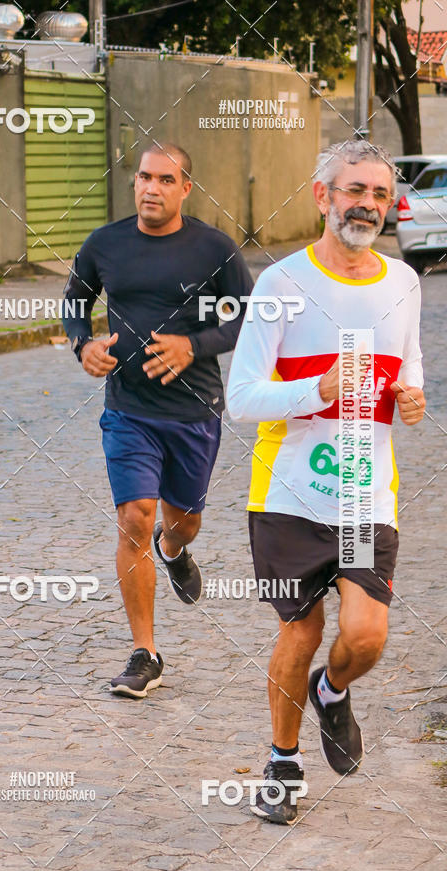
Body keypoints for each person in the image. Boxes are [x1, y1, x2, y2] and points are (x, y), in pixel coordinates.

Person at [227, 141, 425, 825]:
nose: (367, 205)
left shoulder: (404, 282)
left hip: (366, 496)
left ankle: (332, 692)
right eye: (354, 190)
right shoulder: (281, 284)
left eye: (379, 194)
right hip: (288, 497)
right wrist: (316, 388)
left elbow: (409, 366)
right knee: (301, 629)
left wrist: (411, 397)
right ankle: (283, 763)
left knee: (365, 636)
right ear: (322, 196)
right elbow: (241, 398)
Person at [63, 142, 254, 698]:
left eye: (166, 180)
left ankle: (174, 549)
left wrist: (193, 346)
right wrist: (82, 344)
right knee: (134, 517)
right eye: (145, 177)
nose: (152, 188)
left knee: (182, 520)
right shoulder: (105, 243)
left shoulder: (214, 249)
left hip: (194, 410)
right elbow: (75, 300)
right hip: (129, 410)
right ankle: (145, 653)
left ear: (185, 188)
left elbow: (248, 317)